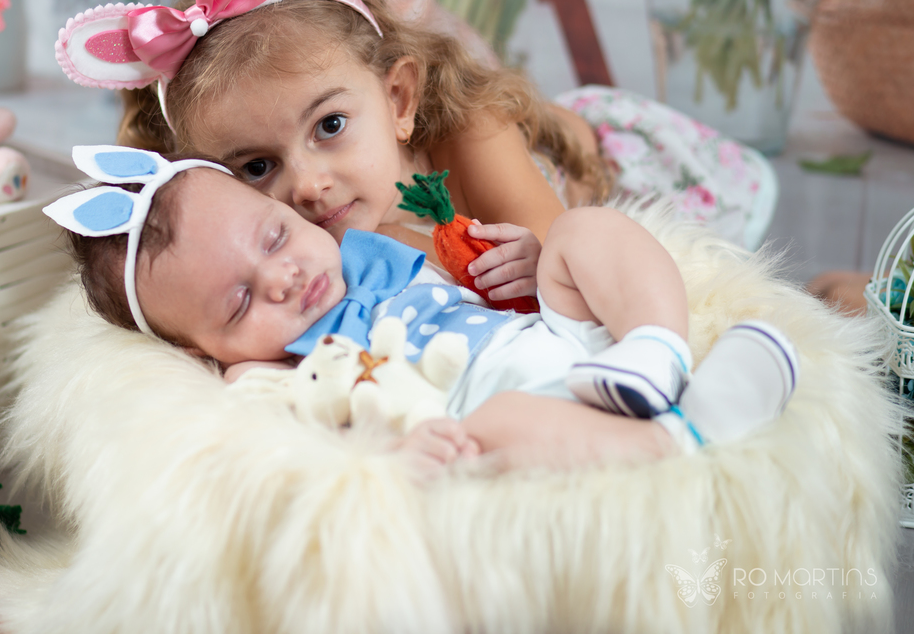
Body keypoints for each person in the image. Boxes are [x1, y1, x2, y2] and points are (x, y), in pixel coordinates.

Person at [56, 0, 770, 314]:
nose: (308, 185)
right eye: (256, 168)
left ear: (397, 98)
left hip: (610, 165)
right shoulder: (284, 251)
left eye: (330, 125)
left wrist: (534, 255)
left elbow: (564, 254)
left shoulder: (468, 131)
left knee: (711, 269)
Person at [45, 146, 799, 473]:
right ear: (202, 350)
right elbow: (302, 458)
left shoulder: (374, 246)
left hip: (561, 338)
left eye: (274, 236)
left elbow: (485, 282)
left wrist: (534, 268)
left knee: (585, 230)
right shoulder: (270, 376)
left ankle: (657, 349)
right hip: (507, 405)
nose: (282, 278)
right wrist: (394, 457)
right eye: (240, 301)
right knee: (497, 429)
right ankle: (683, 433)